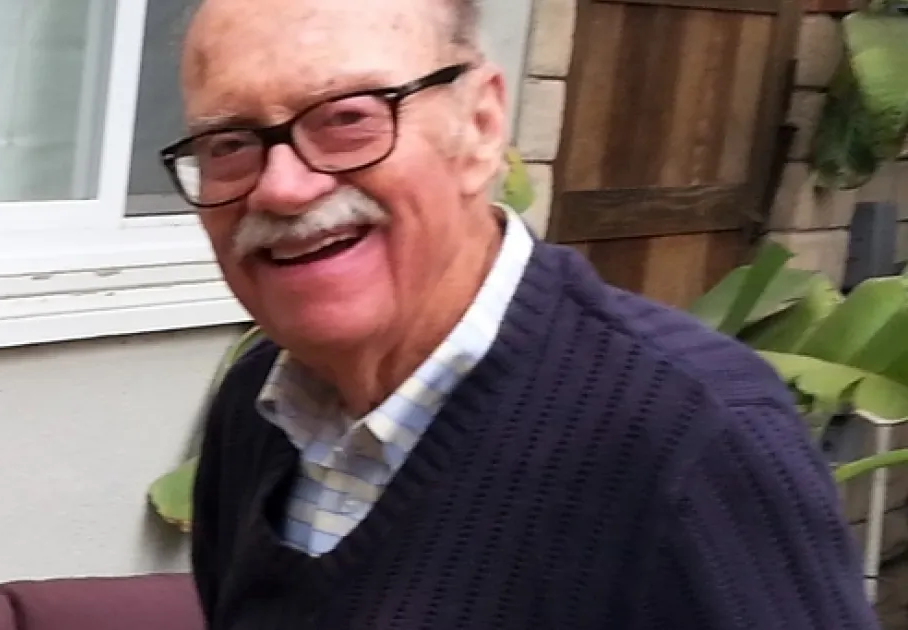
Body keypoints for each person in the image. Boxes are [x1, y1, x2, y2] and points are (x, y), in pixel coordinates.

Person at [162, 0, 881, 627]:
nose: (283, 188)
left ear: (480, 128)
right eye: (230, 144)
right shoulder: (256, 410)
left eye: (348, 118)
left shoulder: (695, 442)